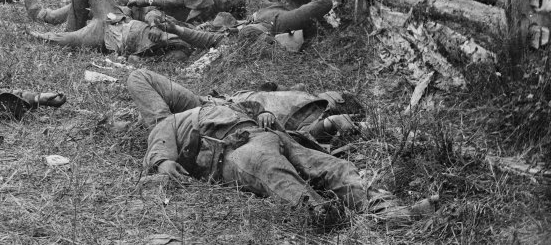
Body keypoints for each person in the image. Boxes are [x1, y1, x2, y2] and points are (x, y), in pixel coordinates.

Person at [126, 68, 436, 226]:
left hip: (270, 133)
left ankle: (389, 212)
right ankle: (320, 211)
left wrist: (261, 112)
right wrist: (163, 161)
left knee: (329, 166)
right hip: (230, 152)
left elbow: (249, 104)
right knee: (268, 167)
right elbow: (160, 138)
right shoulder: (171, 123)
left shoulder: (217, 103)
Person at [126, 69, 362, 146]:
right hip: (210, 102)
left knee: (139, 77)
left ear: (337, 102)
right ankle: (165, 129)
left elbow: (305, 138)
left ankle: (164, 135)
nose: (330, 91)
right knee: (141, 82)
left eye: (336, 93)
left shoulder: (313, 116)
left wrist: (337, 122)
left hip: (217, 115)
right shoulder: (302, 95)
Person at [24, 0, 195, 58]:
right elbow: (154, 9)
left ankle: (50, 19)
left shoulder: (191, 27)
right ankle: (48, 16)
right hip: (122, 16)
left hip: (116, 27)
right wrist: (152, 18)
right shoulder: (192, 7)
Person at [155, 0, 333, 52]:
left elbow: (215, 40)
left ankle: (174, 30)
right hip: (235, 41)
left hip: (227, 42)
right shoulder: (283, 17)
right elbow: (324, 2)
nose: (302, 1)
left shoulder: (265, 14)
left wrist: (177, 30)